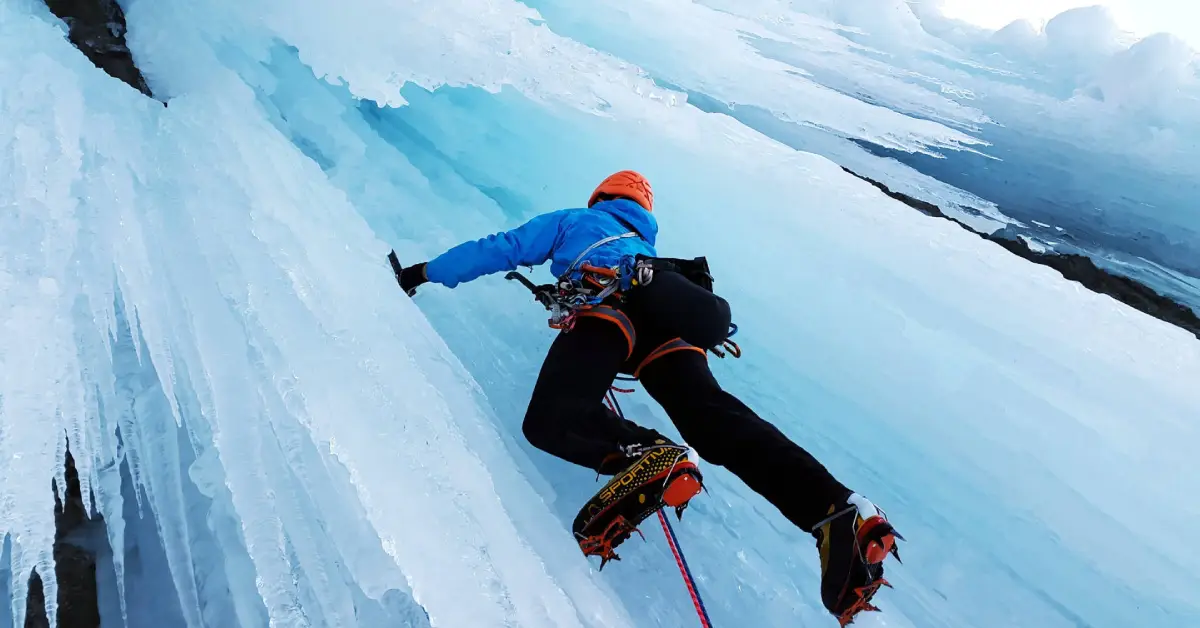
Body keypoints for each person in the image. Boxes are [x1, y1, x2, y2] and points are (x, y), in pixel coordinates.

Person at [393, 170, 902, 625]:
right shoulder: (649, 252)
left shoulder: (576, 221)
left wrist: (420, 274)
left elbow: (500, 247)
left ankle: (649, 453)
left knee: (552, 418)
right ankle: (838, 508)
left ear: (600, 199)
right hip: (672, 329)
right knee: (715, 420)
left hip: (610, 310)